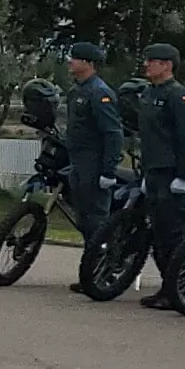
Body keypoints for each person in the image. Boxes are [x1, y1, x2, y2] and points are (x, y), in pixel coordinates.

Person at [130, 44, 185, 310]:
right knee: (159, 233)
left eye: (153, 61)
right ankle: (167, 287)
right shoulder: (149, 93)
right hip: (155, 171)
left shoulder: (177, 95)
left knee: (174, 234)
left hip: (173, 172)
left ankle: (183, 288)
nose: (147, 65)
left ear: (167, 65)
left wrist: (182, 175)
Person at [54, 42, 125, 299]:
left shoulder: (99, 93)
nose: (70, 62)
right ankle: (91, 271)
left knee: (96, 220)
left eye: (76, 58)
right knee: (84, 220)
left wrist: (108, 169)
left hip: (94, 164)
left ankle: (105, 271)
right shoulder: (78, 91)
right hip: (79, 162)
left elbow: (112, 134)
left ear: (88, 63)